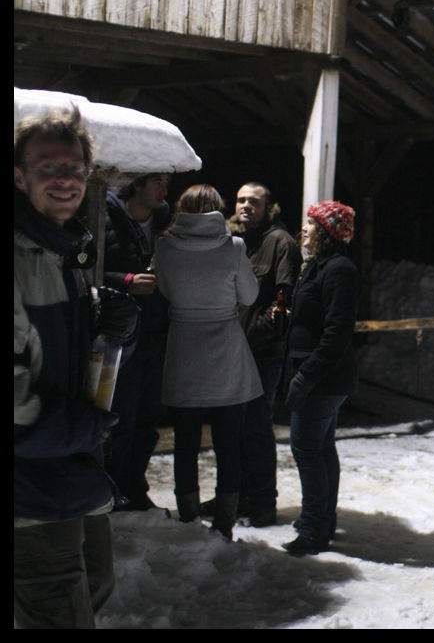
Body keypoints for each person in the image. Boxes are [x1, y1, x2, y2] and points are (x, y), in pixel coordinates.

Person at [14, 107, 138, 627]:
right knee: (60, 609)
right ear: (19, 176)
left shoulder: (67, 251)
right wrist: (76, 426)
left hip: (74, 468)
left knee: (95, 584)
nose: (64, 179)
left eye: (74, 167)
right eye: (47, 166)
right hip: (30, 478)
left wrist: (116, 334)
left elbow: (82, 362)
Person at [153, 184, 263, 541]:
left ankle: (188, 519)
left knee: (185, 442)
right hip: (226, 352)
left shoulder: (165, 245)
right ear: (218, 208)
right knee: (227, 442)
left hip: (184, 347)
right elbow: (249, 295)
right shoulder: (233, 247)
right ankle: (224, 524)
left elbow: (164, 291)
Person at [199, 183, 300, 528]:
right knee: (231, 427)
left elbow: (284, 300)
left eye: (253, 202)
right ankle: (233, 494)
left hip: (260, 352)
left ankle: (261, 503)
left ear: (268, 206)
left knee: (256, 427)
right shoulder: (232, 241)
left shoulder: (279, 243)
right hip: (229, 347)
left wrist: (259, 330)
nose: (245, 206)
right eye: (241, 200)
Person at [282, 200, 360, 556]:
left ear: (327, 232)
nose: (306, 229)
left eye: (312, 224)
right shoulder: (319, 267)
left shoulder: (339, 269)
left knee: (308, 451)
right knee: (321, 449)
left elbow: (336, 335)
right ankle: (322, 522)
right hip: (316, 374)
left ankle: (313, 529)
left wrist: (305, 377)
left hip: (323, 378)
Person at [103, 172, 172, 513]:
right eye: (157, 181)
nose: (164, 189)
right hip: (121, 333)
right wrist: (126, 281)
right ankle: (115, 491)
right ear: (137, 185)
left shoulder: (165, 222)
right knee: (122, 418)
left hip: (156, 332)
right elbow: (88, 270)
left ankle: (135, 486)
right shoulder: (107, 218)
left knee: (147, 418)